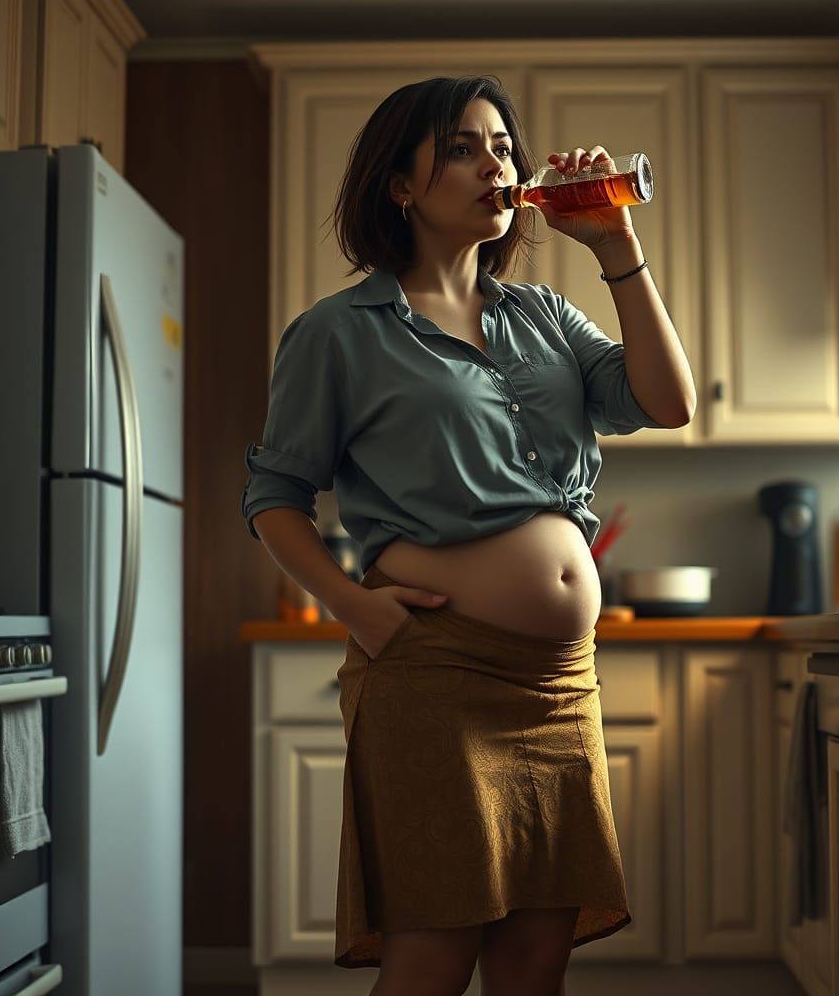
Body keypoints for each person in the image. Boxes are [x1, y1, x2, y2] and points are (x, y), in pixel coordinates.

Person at [241, 75, 695, 996]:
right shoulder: (339, 334)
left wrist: (617, 247)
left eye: (502, 146)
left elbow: (667, 401)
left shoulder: (544, 316)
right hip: (433, 673)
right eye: (461, 147)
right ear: (399, 186)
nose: (496, 165)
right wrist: (355, 607)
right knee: (433, 960)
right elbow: (275, 494)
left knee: (535, 963)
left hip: (559, 686)